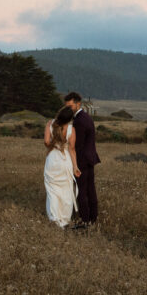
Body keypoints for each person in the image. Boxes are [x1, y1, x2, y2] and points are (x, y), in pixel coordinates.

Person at [64, 91, 100, 227]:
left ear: (78, 104)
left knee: (81, 191)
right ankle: (93, 218)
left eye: (70, 106)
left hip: (82, 160)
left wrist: (74, 164)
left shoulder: (78, 121)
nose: (68, 109)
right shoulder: (87, 117)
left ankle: (85, 220)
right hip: (90, 157)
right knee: (91, 189)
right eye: (66, 106)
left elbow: (77, 145)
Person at [43, 106, 81, 228]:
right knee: (66, 191)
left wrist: (55, 143)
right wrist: (75, 167)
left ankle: (54, 218)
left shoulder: (50, 124)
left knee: (52, 191)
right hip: (65, 162)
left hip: (53, 160)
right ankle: (64, 220)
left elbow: (46, 142)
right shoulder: (71, 129)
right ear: (70, 118)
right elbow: (72, 149)